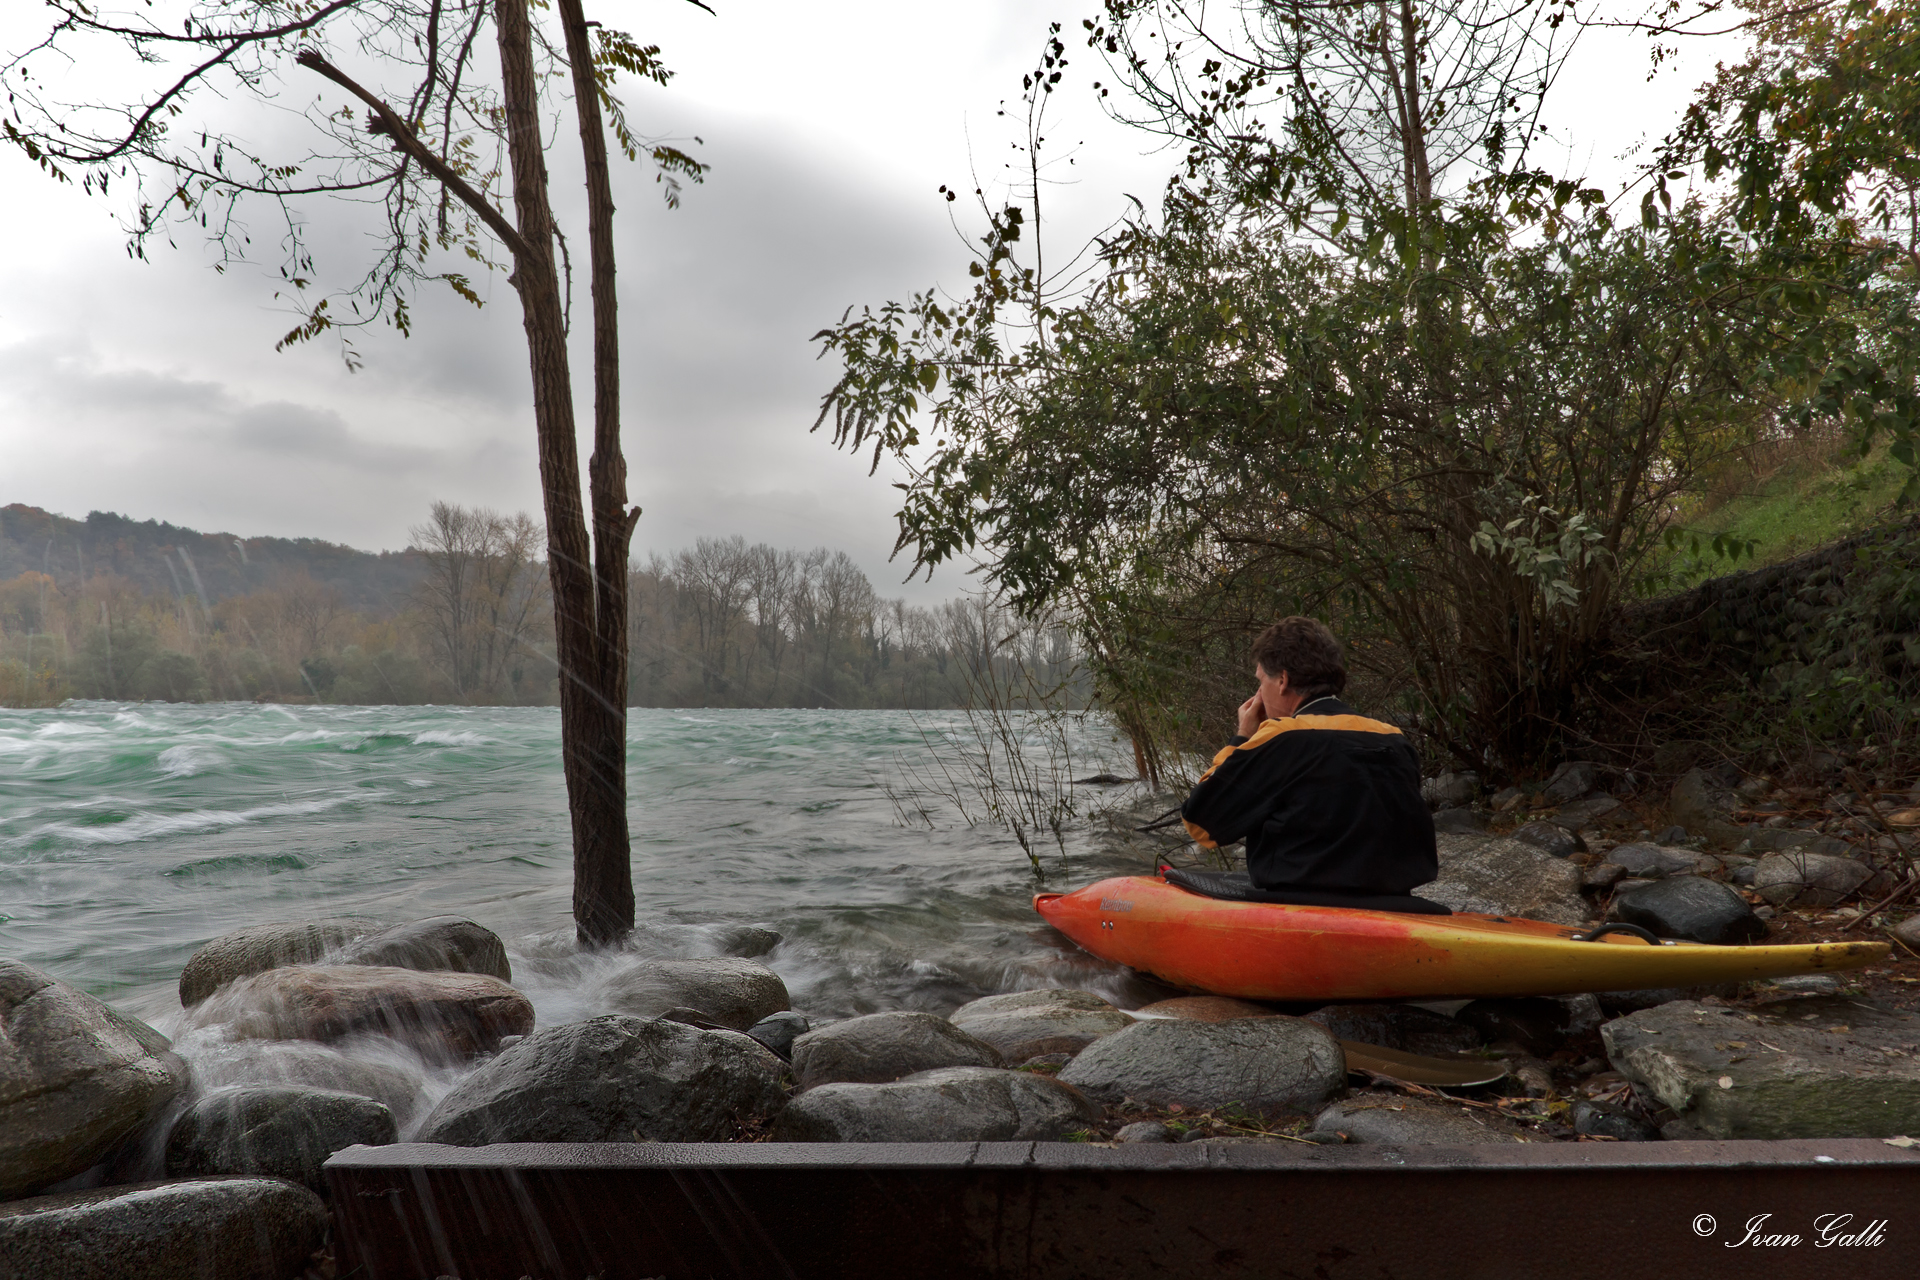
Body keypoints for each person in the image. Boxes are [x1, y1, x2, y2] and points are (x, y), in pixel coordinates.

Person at [1180, 617, 1437, 896]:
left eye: (1260, 682)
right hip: (1395, 903)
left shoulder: (1281, 737)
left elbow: (1201, 823)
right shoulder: (1394, 738)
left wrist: (1242, 736)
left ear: (1282, 680)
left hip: (1305, 906)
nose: (1259, 697)